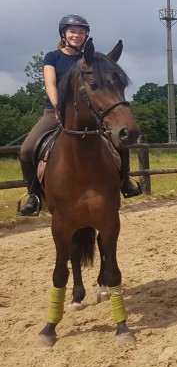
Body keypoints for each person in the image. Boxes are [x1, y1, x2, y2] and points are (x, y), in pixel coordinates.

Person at [17, 14, 141, 217]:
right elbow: (50, 84)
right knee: (26, 150)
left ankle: (125, 181)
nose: (77, 35)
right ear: (64, 34)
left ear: (86, 36)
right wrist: (58, 108)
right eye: (72, 31)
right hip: (54, 112)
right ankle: (34, 195)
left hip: (87, 114)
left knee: (118, 142)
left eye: (81, 32)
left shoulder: (90, 61)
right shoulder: (52, 57)